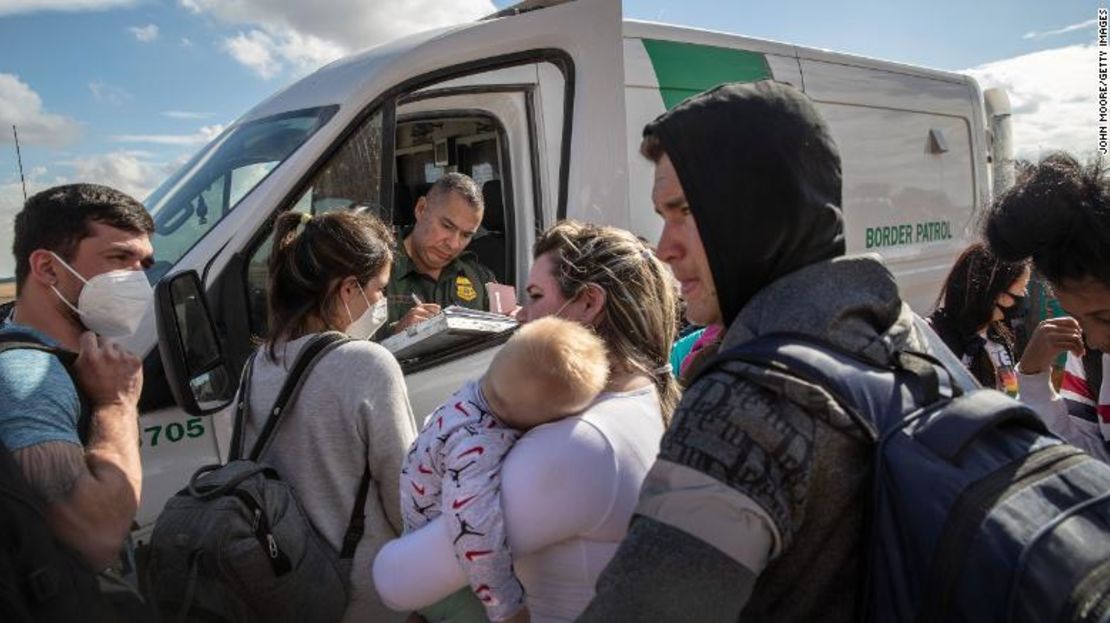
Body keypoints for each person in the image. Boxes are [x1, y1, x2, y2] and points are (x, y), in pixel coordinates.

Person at [576, 81, 939, 622]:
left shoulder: (744, 402)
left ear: (757, 210)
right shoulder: (903, 333)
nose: (663, 247)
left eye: (683, 212)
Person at [373, 220, 680, 622]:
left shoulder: (580, 443)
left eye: (534, 296)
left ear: (588, 302)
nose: (520, 315)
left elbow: (395, 579)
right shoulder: (641, 398)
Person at [241, 210, 418, 622]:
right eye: (379, 290)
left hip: (286, 581)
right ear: (347, 290)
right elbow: (405, 495)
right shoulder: (367, 364)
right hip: (361, 593)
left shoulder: (258, 364)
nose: (380, 304)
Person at [400, 316, 609, 623]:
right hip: (447, 581)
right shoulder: (476, 449)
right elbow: (476, 532)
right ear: (529, 420)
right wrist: (507, 608)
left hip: (414, 545)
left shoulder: (471, 396)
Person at [0, 184, 150, 572]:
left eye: (144, 265)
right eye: (120, 258)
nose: (137, 281)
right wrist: (116, 404)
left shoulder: (65, 353)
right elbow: (93, 536)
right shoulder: (27, 379)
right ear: (48, 268)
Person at [985, 153, 1110, 462]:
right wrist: (1033, 379)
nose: (1092, 339)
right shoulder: (1092, 359)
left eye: (1104, 317)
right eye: (1078, 318)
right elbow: (1088, 461)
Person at [385, 173, 497, 334]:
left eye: (466, 235)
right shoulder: (375, 272)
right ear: (421, 209)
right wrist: (395, 335)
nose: (454, 244)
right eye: (447, 226)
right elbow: (347, 352)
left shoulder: (480, 277)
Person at [926, 242, 1031, 395]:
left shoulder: (999, 338)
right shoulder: (935, 337)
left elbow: (1012, 395)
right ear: (998, 294)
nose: (1025, 295)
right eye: (1022, 287)